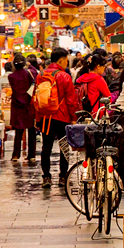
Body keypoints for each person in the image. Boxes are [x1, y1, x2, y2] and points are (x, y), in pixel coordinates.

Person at [35, 47, 82, 184]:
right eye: (66, 60)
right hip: (62, 117)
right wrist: (74, 117)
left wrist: (37, 117)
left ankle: (46, 177)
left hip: (46, 117)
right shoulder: (64, 76)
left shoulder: (41, 75)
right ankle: (63, 176)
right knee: (64, 146)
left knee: (46, 146)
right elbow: (71, 100)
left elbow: (36, 97)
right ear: (61, 60)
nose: (67, 63)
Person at [6, 53, 36, 162]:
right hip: (28, 104)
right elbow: (34, 77)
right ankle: (32, 155)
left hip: (17, 105)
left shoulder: (11, 77)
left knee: (18, 131)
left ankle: (15, 155)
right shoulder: (29, 73)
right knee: (31, 130)